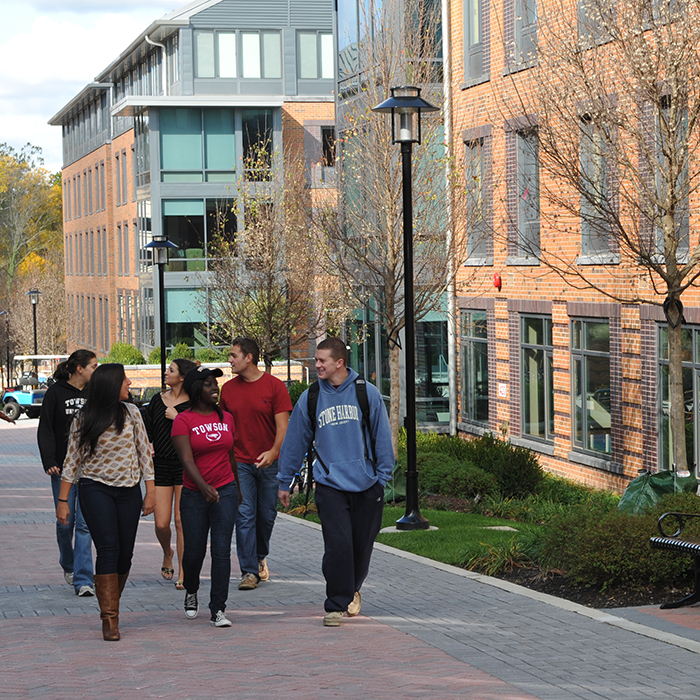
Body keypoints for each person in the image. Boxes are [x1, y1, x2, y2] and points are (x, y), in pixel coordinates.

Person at [278, 337, 394, 627]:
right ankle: (335, 604)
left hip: (367, 485)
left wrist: (381, 478)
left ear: (339, 362)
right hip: (329, 484)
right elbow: (295, 441)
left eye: (322, 361)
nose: (316, 365)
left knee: (361, 548)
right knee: (338, 545)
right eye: (316, 360)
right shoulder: (312, 397)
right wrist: (285, 480)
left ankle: (352, 588)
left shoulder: (367, 393)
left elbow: (382, 438)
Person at [57, 364, 155, 641]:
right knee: (109, 549)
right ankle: (110, 619)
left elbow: (144, 452)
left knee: (126, 554)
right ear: (111, 384)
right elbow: (72, 461)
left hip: (128, 490)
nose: (129, 383)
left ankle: (110, 601)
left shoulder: (132, 413)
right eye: (125, 379)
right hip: (94, 488)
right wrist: (63, 501)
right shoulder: (83, 418)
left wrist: (151, 491)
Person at [219, 337, 292, 590]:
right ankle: (248, 571)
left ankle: (260, 555)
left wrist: (273, 452)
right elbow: (224, 427)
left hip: (270, 462)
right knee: (245, 515)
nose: (230, 360)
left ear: (248, 357)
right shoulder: (227, 390)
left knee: (267, 516)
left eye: (233, 355)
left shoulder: (274, 387)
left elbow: (283, 426)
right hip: (239, 462)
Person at [172, 366, 240, 628]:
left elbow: (230, 454)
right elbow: (186, 460)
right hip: (193, 494)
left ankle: (218, 609)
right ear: (196, 389)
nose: (215, 388)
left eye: (216, 384)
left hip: (226, 490)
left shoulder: (227, 418)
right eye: (209, 384)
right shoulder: (183, 420)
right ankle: (191, 589)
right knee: (194, 552)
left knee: (221, 551)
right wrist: (203, 487)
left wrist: (237, 489)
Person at [38, 349, 98, 596]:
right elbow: (46, 429)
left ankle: (84, 580)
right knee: (66, 523)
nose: (97, 370)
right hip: (63, 468)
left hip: (90, 469)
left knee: (84, 525)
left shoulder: (96, 393)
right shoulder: (55, 393)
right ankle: (68, 563)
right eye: (93, 366)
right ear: (79, 369)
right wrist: (49, 460)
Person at [144, 358, 197, 589]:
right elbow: (147, 431)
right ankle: (167, 552)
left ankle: (184, 571)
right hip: (162, 466)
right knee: (161, 523)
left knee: (181, 521)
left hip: (185, 466)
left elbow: (199, 434)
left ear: (183, 377)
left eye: (171, 370)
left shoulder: (195, 404)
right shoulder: (157, 400)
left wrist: (179, 418)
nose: (166, 372)